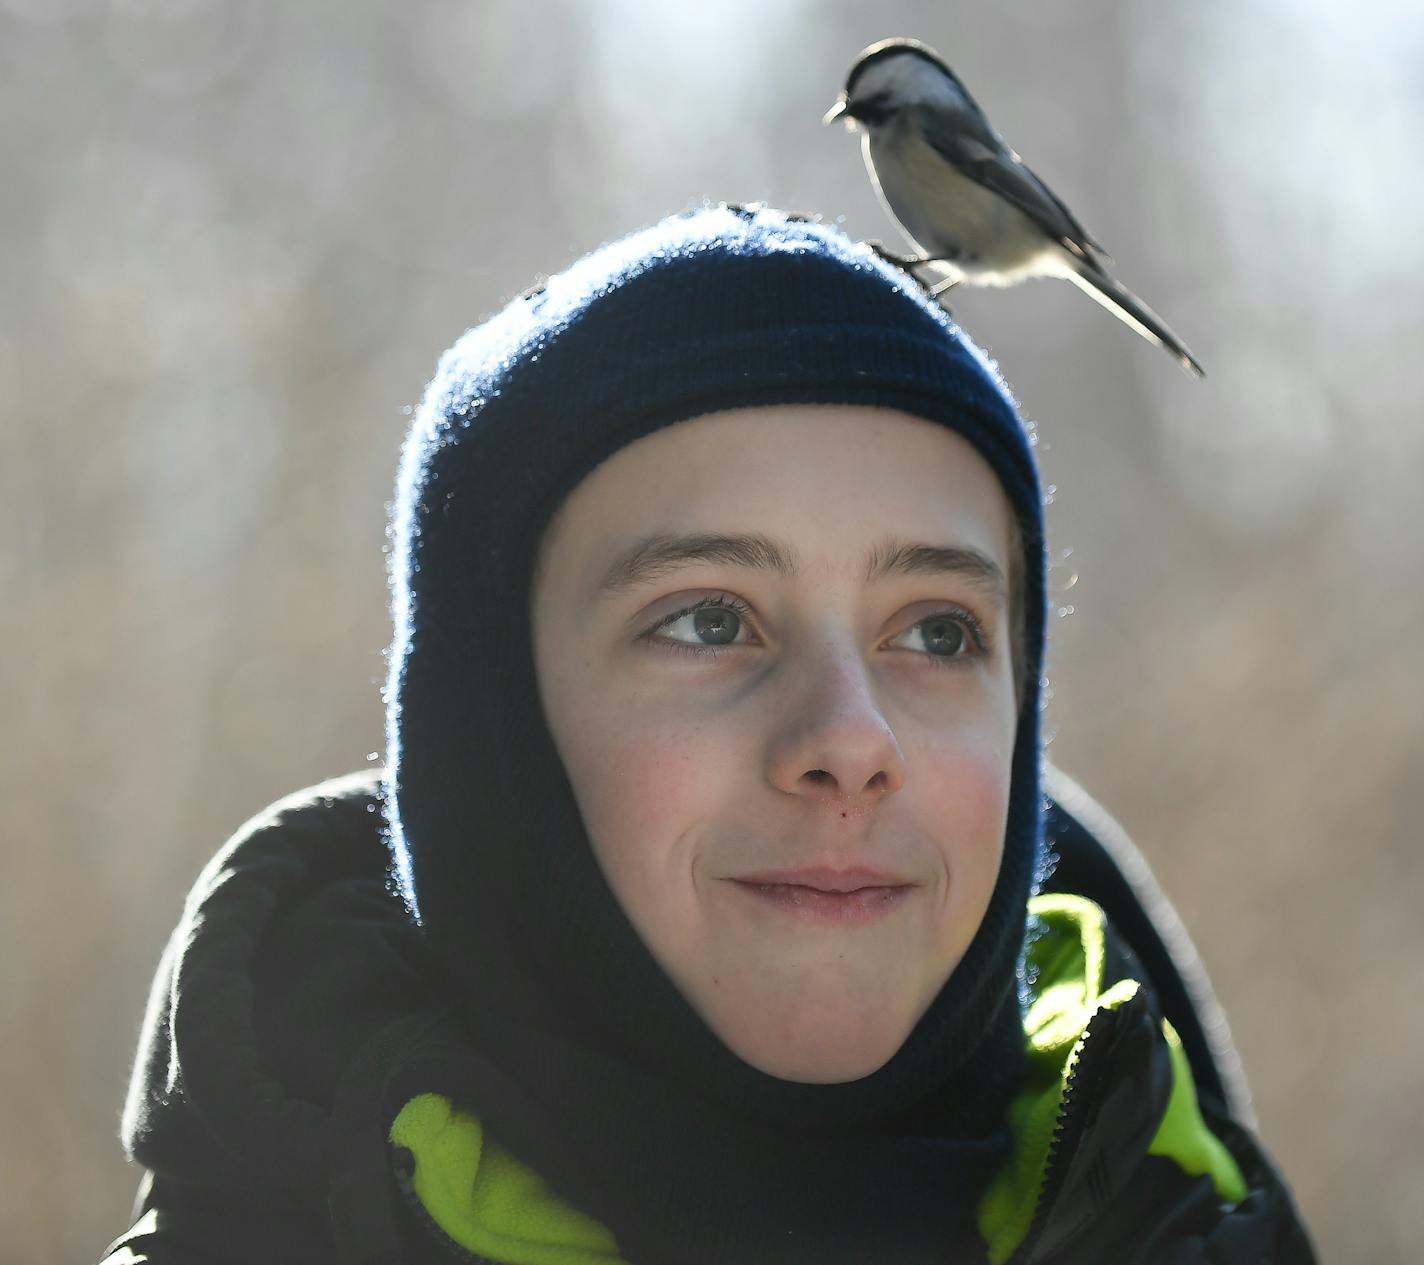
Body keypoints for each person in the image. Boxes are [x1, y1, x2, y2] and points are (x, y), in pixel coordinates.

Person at [101, 205, 1315, 1264]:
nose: (848, 738)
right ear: (492, 733)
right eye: (707, 618)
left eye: (937, 633)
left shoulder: (1195, 1223)